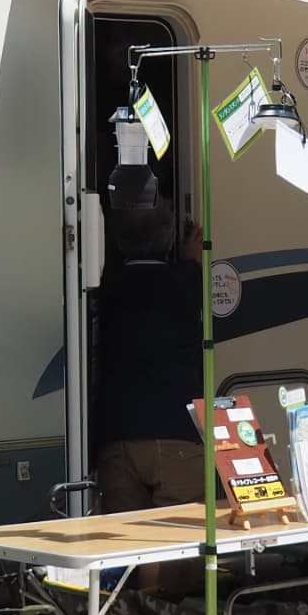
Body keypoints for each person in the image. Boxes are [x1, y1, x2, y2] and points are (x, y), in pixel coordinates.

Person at [91, 198, 205, 513]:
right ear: (171, 238)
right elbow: (193, 271)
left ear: (116, 241)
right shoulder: (188, 281)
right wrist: (192, 259)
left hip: (118, 436)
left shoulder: (107, 289)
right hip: (177, 432)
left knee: (127, 536)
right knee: (178, 534)